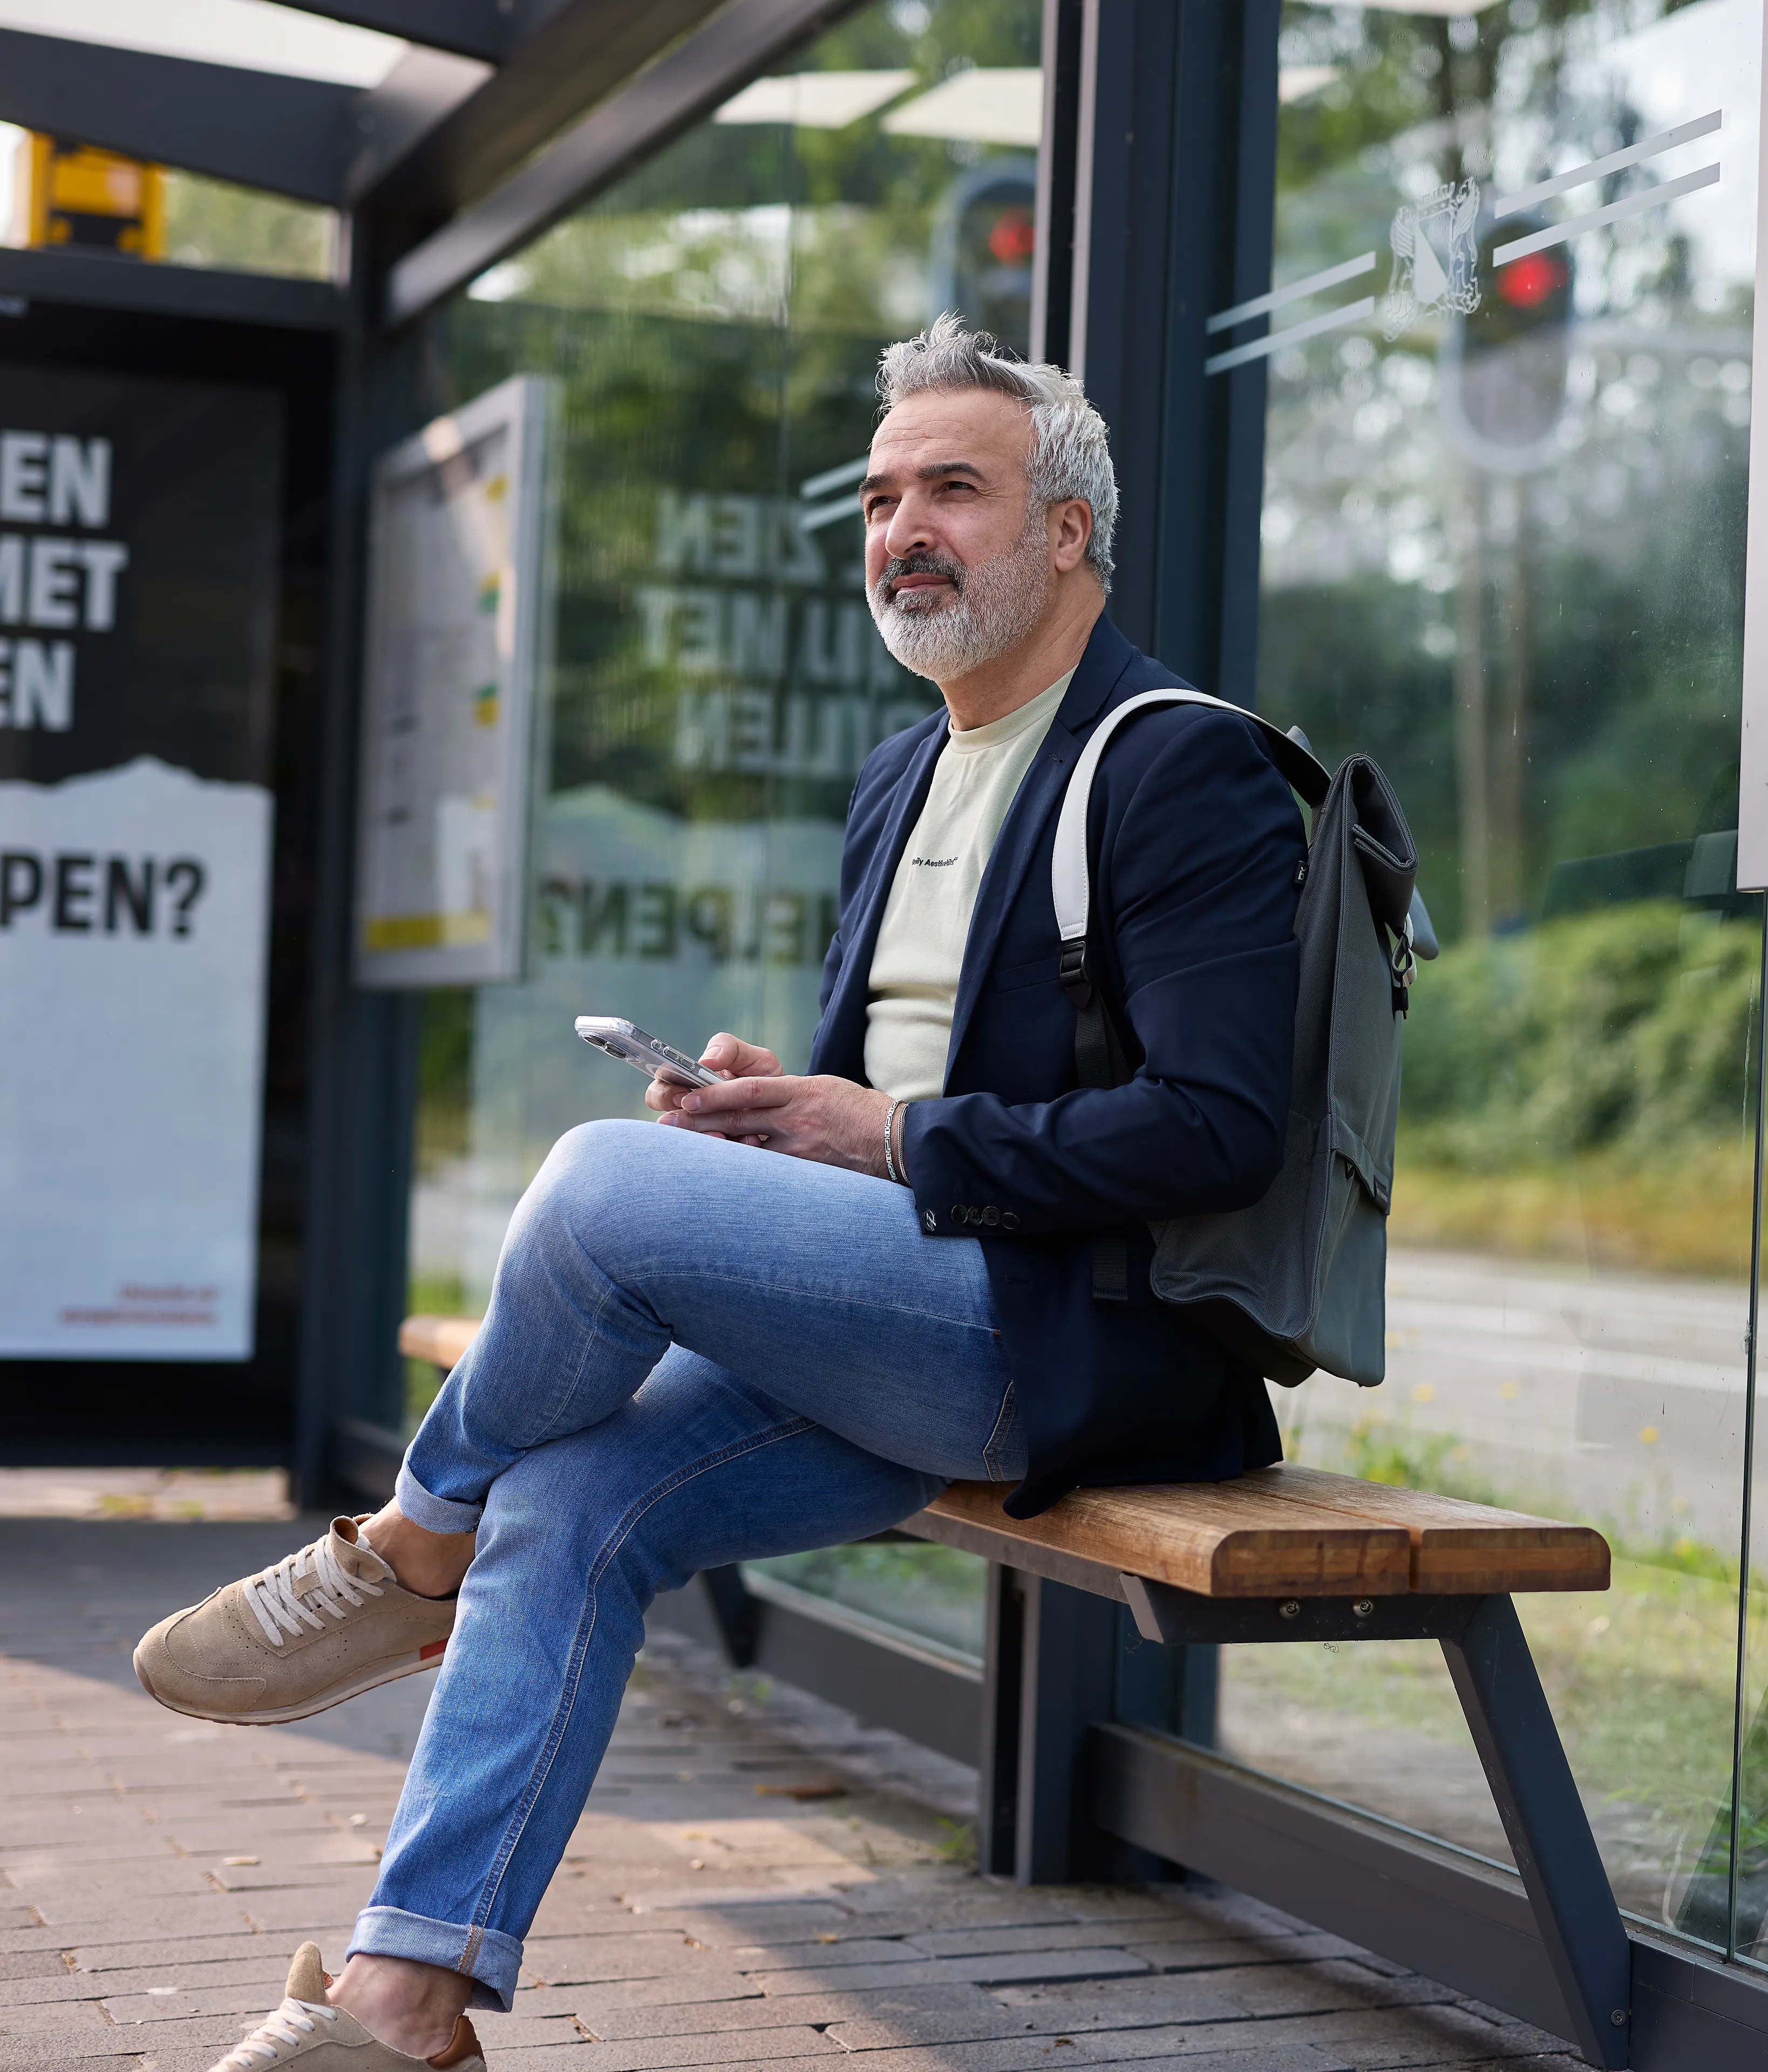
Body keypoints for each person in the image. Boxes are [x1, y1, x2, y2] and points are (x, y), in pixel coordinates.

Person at [139, 315, 1306, 2072]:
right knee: (570, 1500)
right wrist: (766, 1121)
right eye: (882, 495)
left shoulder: (1172, 762)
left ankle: (403, 1550)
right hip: (891, 1314)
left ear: (1069, 532)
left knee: (593, 1191)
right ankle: (403, 2010)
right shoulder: (902, 771)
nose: (905, 528)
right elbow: (863, 1103)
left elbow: (1224, 1134)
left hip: (1069, 1342)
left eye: (958, 492)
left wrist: (895, 1138)